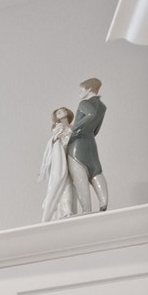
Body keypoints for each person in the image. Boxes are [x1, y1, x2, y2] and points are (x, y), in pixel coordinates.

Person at [68, 77, 107, 212]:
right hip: (91, 142)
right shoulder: (102, 107)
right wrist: (89, 133)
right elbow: (96, 129)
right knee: (95, 171)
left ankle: (87, 210)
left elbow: (91, 114)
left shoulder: (84, 103)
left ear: (89, 89)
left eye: (81, 89)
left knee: (80, 177)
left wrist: (73, 128)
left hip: (77, 144)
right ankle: (103, 201)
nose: (80, 93)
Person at [40, 106, 76, 222]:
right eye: (58, 113)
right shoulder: (58, 128)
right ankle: (67, 211)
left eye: (62, 111)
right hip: (61, 162)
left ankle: (68, 211)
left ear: (67, 112)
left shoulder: (73, 128)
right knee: (65, 185)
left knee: (71, 186)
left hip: (72, 159)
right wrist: (56, 138)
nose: (60, 113)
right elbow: (54, 141)